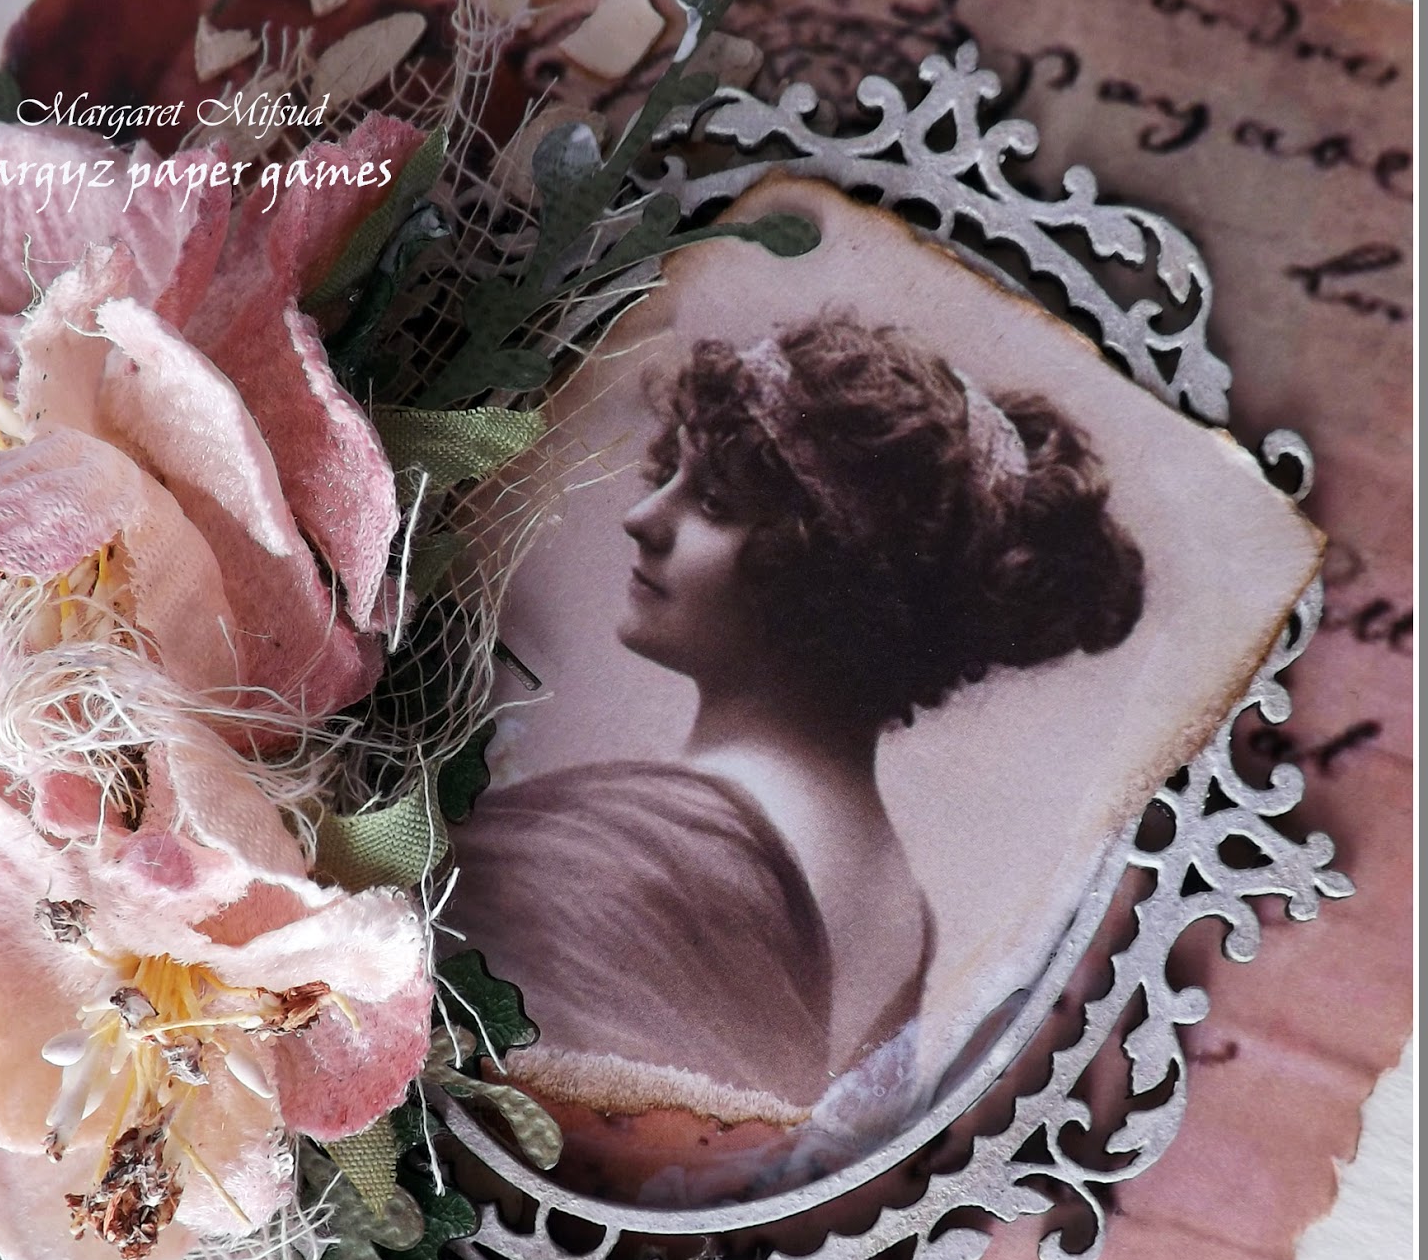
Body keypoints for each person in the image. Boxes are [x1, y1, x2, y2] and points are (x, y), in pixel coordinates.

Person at [447, 313, 1146, 1204]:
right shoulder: (897, 907)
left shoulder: (622, 850)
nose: (641, 517)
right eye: (671, 477)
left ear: (829, 572)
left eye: (713, 503)